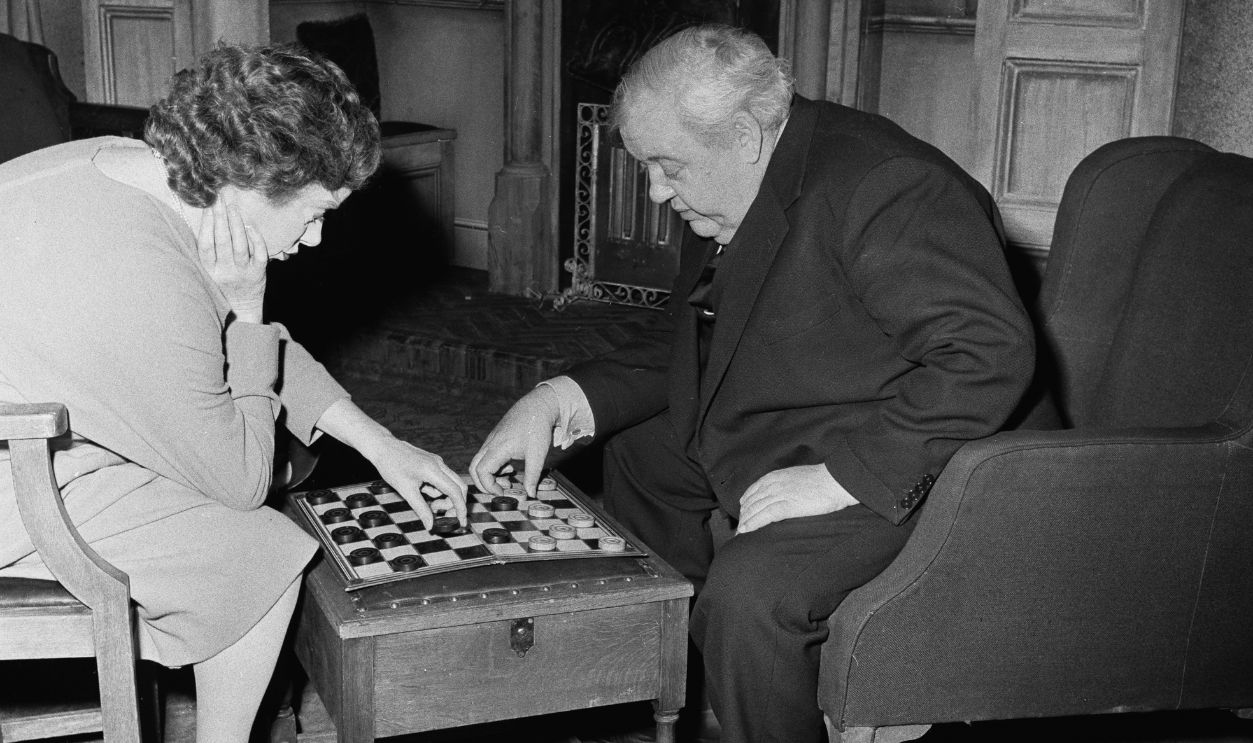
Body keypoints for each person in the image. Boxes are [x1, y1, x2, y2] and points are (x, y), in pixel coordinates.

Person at [471, 24, 1036, 743]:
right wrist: (555, 399)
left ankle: (751, 687)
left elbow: (988, 353)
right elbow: (692, 334)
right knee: (640, 452)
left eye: (664, 166)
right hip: (822, 407)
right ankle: (663, 692)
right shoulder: (734, 172)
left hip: (931, 449)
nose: (654, 189)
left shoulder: (885, 186)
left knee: (750, 595)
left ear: (741, 134)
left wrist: (840, 477)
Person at [0, 44, 467, 742]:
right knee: (261, 550)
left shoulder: (120, 164)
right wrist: (248, 303)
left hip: (31, 423)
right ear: (249, 183)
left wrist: (380, 442)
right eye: (313, 212)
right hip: (18, 480)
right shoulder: (144, 273)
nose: (313, 238)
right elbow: (240, 477)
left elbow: (211, 342)